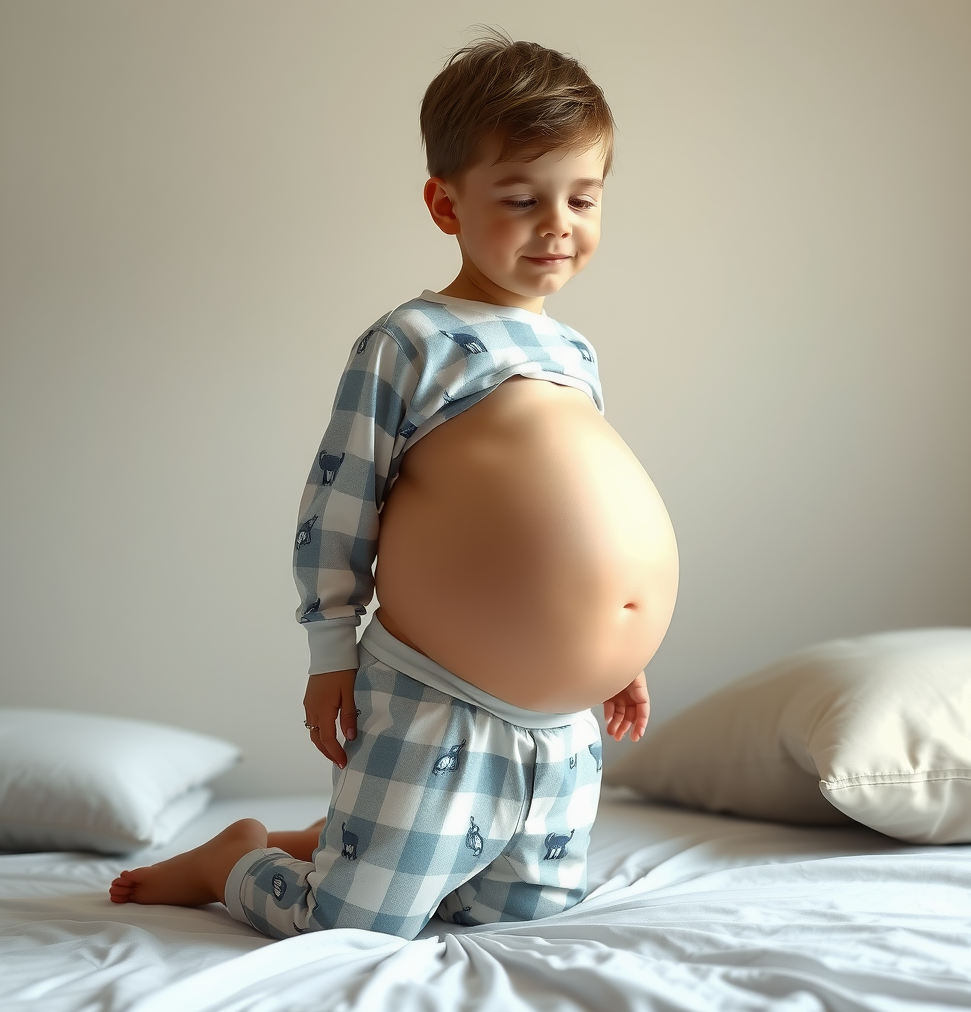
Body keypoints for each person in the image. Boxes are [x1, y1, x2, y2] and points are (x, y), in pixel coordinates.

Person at [110, 30, 678, 940]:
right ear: (444, 204)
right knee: (354, 921)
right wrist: (330, 651)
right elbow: (341, 499)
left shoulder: (573, 351)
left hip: (564, 720)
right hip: (439, 697)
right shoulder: (412, 339)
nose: (558, 224)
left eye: (583, 197)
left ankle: (339, 836)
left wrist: (619, 651)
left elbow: (582, 517)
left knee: (521, 909)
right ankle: (237, 859)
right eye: (523, 198)